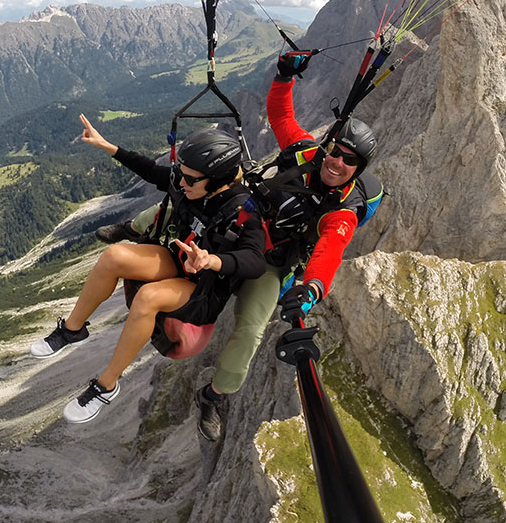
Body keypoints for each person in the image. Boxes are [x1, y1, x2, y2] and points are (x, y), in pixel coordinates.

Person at [190, 51, 381, 441]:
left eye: (350, 161)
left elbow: (330, 250)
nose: (337, 162)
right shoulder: (306, 152)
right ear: (328, 147)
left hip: (268, 264)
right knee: (182, 210)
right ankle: (133, 230)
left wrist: (311, 288)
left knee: (250, 331)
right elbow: (281, 116)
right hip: (240, 228)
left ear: (358, 171)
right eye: (336, 151)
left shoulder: (342, 211)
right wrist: (283, 75)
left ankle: (213, 396)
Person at [30, 114, 266, 424]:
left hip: (204, 289)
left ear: (218, 179)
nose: (181, 182)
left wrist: (213, 260)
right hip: (179, 261)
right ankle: (73, 330)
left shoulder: (242, 210)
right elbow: (154, 172)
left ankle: (106, 385)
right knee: (114, 256)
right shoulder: (192, 184)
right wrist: (107, 146)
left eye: (190, 179)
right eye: (182, 175)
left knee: (148, 298)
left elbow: (255, 260)